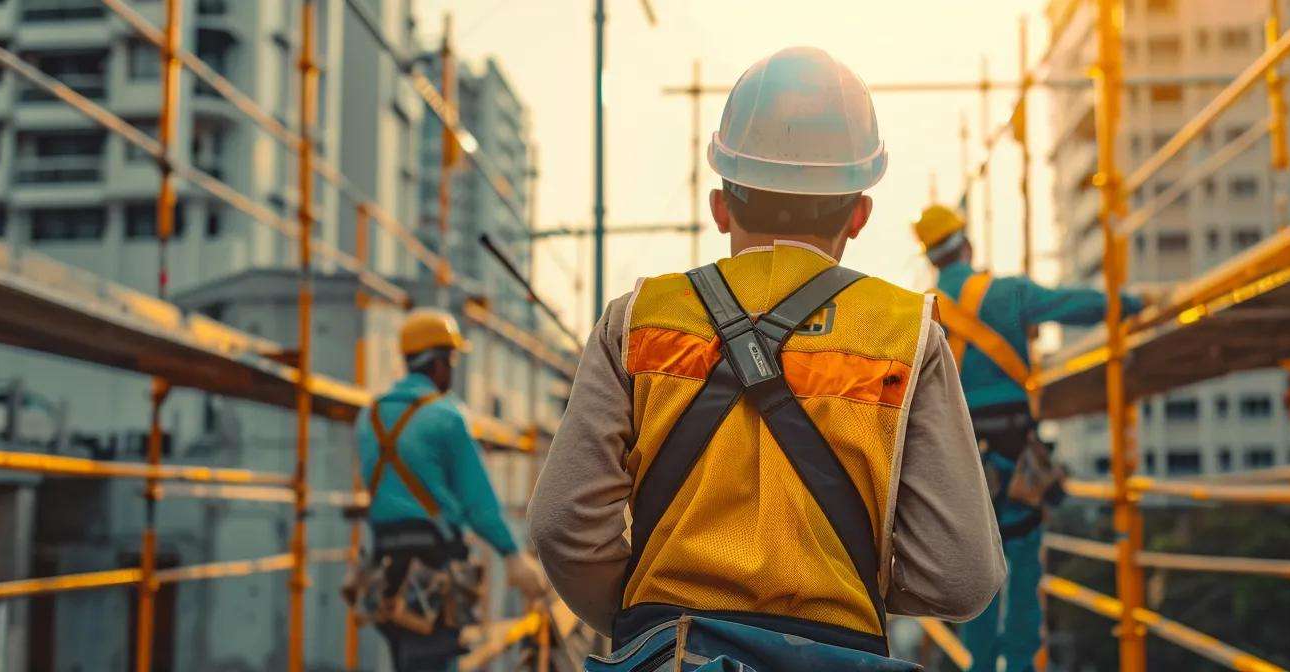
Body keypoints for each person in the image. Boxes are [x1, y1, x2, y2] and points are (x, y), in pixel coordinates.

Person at [528, 47, 1005, 670]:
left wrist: (640, 622)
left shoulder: (637, 319)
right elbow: (962, 576)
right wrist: (846, 585)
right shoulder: (908, 335)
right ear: (859, 215)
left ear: (720, 204)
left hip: (673, 652)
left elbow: (563, 523)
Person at [913, 203, 1144, 672]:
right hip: (1017, 456)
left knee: (976, 573)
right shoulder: (1008, 294)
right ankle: (1018, 666)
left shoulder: (922, 312)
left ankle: (979, 666)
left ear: (933, 259)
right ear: (967, 244)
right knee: (1022, 566)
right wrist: (1134, 305)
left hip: (960, 459)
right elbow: (1077, 306)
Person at [356, 308, 547, 671]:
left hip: (382, 563)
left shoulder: (369, 417)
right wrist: (512, 554)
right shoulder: (446, 416)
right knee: (434, 659)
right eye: (452, 361)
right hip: (432, 564)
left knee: (403, 657)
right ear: (439, 363)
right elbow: (478, 502)